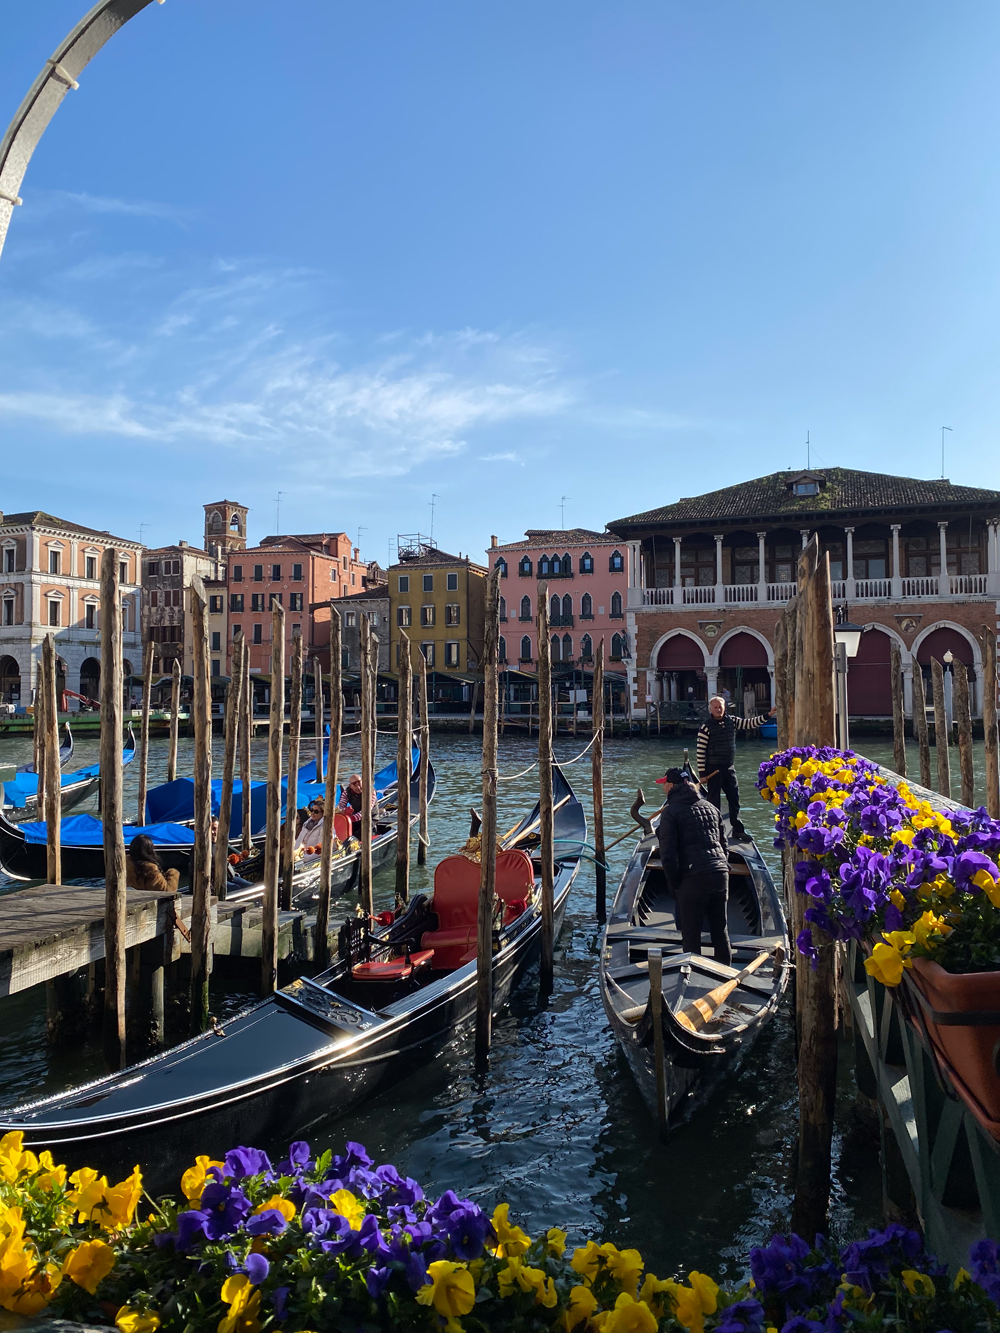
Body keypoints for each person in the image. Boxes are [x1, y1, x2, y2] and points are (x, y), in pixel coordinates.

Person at [654, 766, 731, 965]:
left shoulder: (670, 813)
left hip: (693, 877)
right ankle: (728, 978)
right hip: (720, 873)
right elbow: (724, 845)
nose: (663, 789)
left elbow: (668, 855)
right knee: (720, 931)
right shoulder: (711, 808)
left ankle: (692, 981)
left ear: (670, 786)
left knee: (691, 936)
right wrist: (724, 866)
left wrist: (675, 885)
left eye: (664, 785)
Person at [696, 694, 776, 842]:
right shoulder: (705, 726)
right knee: (714, 802)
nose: (718, 709)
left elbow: (750, 723)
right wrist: (702, 773)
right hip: (713, 769)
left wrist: (768, 715)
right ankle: (715, 832)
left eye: (720, 707)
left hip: (728, 767)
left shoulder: (732, 721)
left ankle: (738, 830)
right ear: (710, 709)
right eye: (715, 707)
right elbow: (700, 751)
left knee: (734, 799)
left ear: (724, 707)